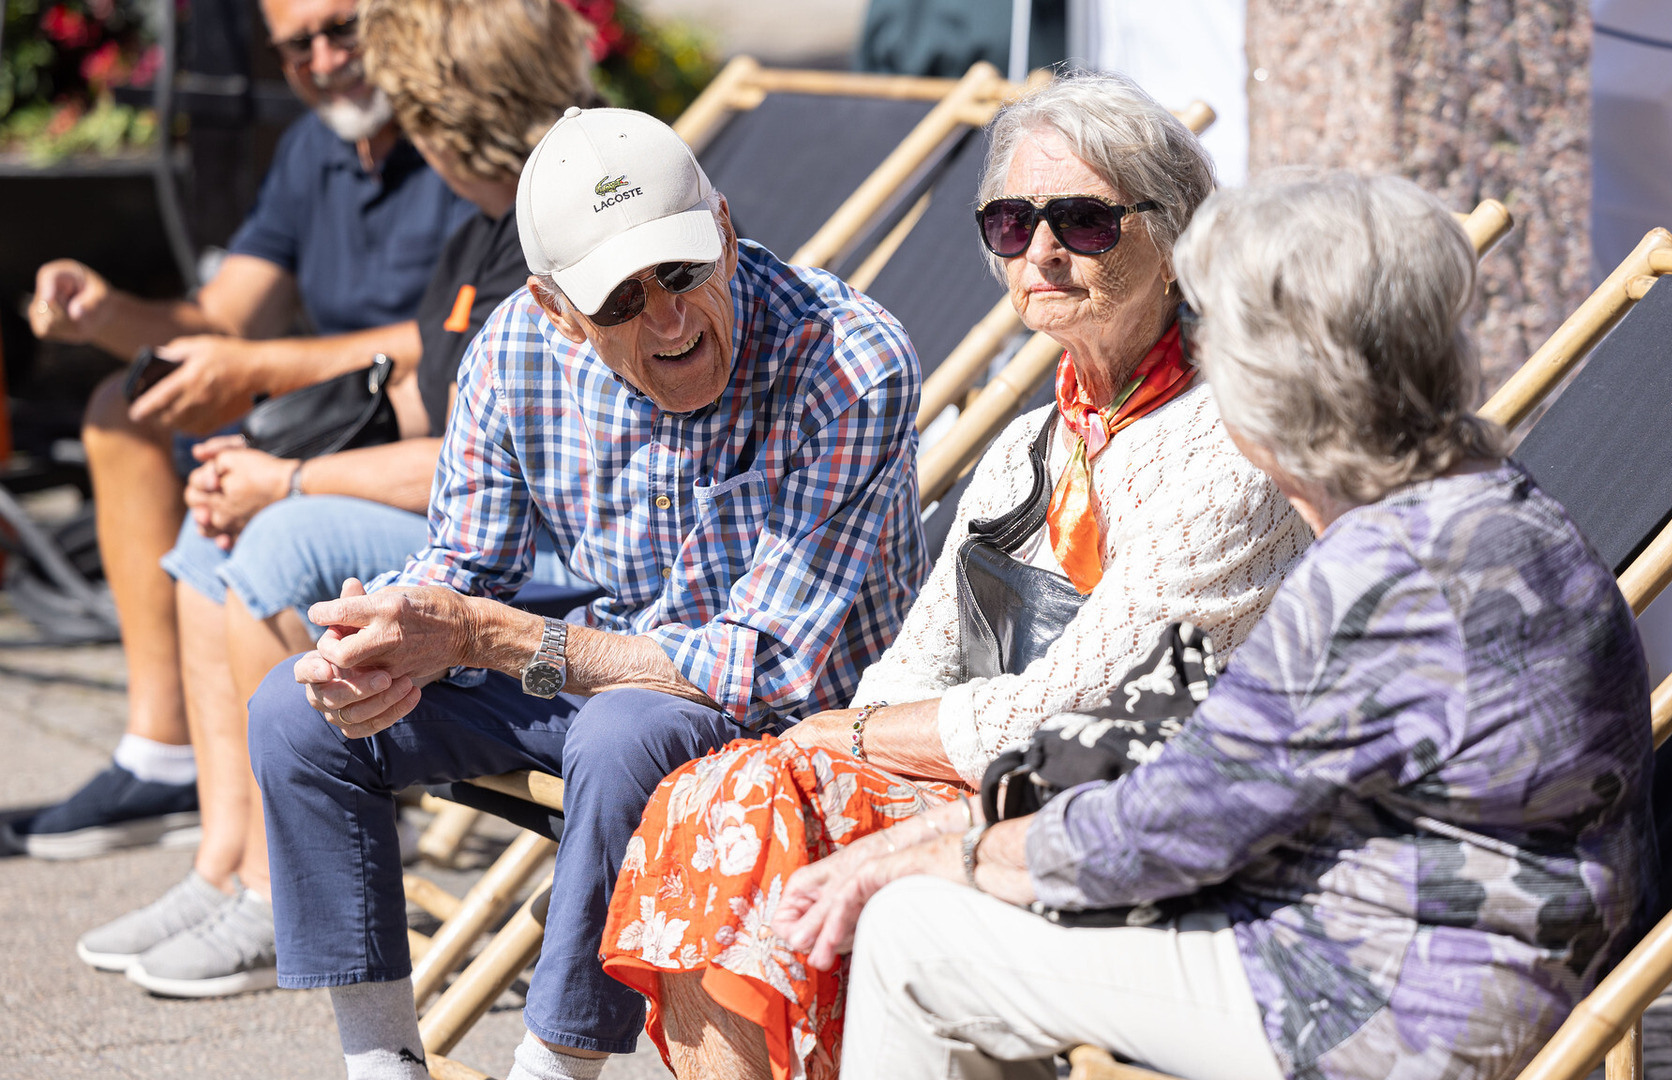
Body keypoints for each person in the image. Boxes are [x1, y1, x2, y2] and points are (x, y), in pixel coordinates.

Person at [770, 173, 1659, 1080]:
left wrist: (955, 850)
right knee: (979, 918)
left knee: (917, 938)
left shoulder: (1377, 581)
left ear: (1278, 388)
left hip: (1380, 998)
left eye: (1215, 345)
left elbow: (1167, 831)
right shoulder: (1487, 502)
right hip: (1467, 954)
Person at [599, 73, 1314, 1080]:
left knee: (746, 804)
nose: (1044, 251)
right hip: (1001, 783)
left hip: (1133, 808)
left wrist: (838, 738)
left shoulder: (1229, 446)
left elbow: (1078, 706)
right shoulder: (1032, 442)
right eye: (1013, 222)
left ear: (1177, 235)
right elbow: (915, 662)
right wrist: (842, 744)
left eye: (1085, 222)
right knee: (719, 789)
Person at [246, 104, 926, 1080]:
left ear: (726, 232)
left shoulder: (847, 361)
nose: (671, 317)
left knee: (623, 734)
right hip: (618, 664)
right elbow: (466, 569)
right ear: (557, 307)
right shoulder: (517, 352)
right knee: (298, 714)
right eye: (618, 301)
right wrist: (385, 635)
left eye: (684, 271)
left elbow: (765, 664)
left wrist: (488, 636)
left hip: (810, 718)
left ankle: (554, 1069)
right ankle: (383, 1063)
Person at [61, 0, 599, 999]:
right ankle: (225, 862)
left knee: (280, 533)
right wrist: (260, 453)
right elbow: (425, 389)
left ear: (448, 117)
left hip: (550, 551)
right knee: (213, 532)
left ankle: (277, 896)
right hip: (483, 518)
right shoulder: (484, 228)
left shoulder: (549, 239)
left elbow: (496, 466)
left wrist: (294, 478)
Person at [9, 0, 472, 860]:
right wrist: (103, 312)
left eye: (344, 30)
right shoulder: (313, 148)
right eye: (297, 46)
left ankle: (290, 832)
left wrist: (261, 374)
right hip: (334, 414)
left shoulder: (460, 144)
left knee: (239, 489)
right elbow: (220, 318)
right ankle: (163, 751)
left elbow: (451, 350)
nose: (325, 60)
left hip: (413, 424)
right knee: (123, 405)